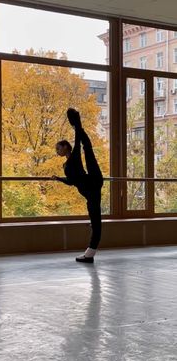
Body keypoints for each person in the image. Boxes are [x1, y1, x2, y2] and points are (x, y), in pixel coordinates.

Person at [52, 108, 103, 263]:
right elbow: (72, 182)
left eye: (58, 148)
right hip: (91, 185)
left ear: (66, 147)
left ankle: (90, 254)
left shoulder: (73, 157)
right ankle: (90, 253)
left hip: (91, 186)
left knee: (87, 147)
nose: (57, 151)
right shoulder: (66, 164)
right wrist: (59, 179)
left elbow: (77, 141)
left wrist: (76, 127)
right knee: (87, 147)